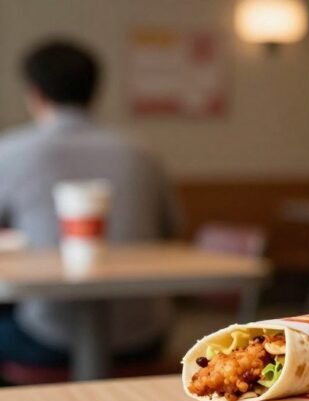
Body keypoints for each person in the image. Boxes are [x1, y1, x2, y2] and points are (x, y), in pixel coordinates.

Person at [0, 40, 179, 371]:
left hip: (48, 335)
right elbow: (172, 228)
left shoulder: (11, 151)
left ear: (35, 93)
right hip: (145, 332)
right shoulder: (142, 153)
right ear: (95, 91)